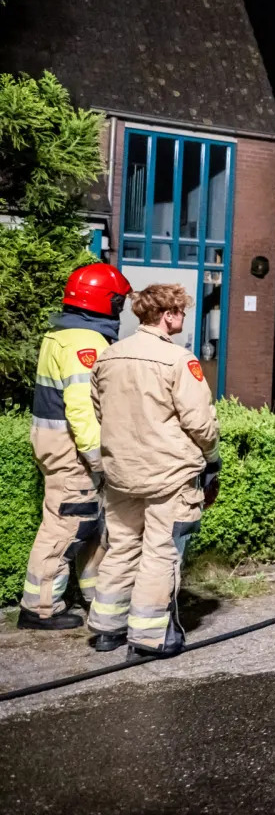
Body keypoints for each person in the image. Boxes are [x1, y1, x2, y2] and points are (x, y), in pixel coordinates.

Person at [87, 284, 220, 657]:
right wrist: (212, 459)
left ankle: (106, 628)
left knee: (121, 547)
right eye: (179, 311)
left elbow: (100, 411)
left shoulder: (108, 357)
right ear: (168, 316)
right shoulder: (178, 360)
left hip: (120, 473)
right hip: (168, 474)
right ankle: (149, 637)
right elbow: (200, 423)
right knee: (161, 552)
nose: (182, 317)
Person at [18, 263, 131, 630]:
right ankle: (39, 608)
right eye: (119, 302)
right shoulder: (86, 342)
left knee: (92, 525)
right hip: (73, 450)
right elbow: (82, 409)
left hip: (56, 443)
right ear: (105, 301)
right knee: (68, 525)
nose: (121, 309)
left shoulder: (61, 334)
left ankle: (96, 596)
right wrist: (99, 460)